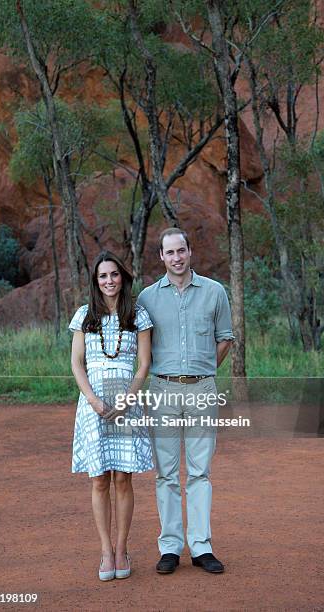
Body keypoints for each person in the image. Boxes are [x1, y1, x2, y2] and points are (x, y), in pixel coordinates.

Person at [137, 227, 234, 575]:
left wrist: (203, 373)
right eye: (169, 253)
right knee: (165, 472)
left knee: (199, 471)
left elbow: (225, 339)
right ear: (161, 257)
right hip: (162, 389)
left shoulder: (214, 292)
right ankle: (170, 548)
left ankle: (202, 547)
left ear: (190, 251)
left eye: (181, 250)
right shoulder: (147, 298)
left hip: (202, 389)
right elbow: (141, 347)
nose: (176, 258)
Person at [69, 251, 154, 581]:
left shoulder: (138, 315)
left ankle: (122, 549)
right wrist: (92, 400)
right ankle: (105, 552)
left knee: (123, 478)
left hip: (127, 403)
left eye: (114, 275)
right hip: (93, 406)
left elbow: (144, 363)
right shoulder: (84, 316)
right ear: (96, 281)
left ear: (123, 278)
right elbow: (77, 363)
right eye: (103, 276)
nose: (109, 281)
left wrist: (127, 400)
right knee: (100, 478)